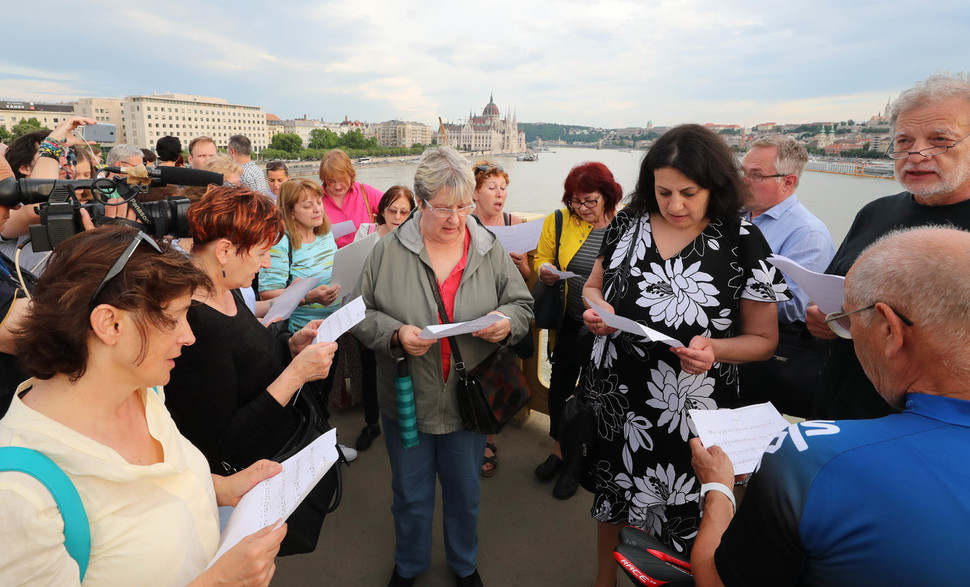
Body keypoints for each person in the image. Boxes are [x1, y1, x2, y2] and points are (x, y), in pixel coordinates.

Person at [0, 226, 286, 585]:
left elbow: (156, 488)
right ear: (110, 323)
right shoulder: (17, 495)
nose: (189, 335)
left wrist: (221, 488)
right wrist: (218, 582)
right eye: (174, 317)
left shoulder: (144, 390)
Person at [690, 226, 970, 586]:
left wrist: (718, 490)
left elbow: (715, 580)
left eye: (846, 322)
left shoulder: (810, 457)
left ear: (888, 329)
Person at [581, 124, 787, 587]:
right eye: (663, 191)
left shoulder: (743, 239)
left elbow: (764, 340)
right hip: (621, 398)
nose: (674, 205)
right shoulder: (627, 223)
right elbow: (593, 287)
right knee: (614, 495)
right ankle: (603, 578)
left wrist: (715, 349)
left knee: (685, 512)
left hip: (694, 411)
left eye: (688, 193)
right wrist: (598, 310)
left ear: (714, 186)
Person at [353, 146, 533, 587]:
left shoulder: (488, 248)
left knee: (465, 494)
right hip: (408, 396)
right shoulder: (386, 251)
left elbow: (522, 305)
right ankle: (409, 565)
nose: (457, 218)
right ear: (418, 203)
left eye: (464, 206)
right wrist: (395, 335)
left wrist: (505, 323)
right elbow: (361, 314)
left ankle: (464, 564)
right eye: (444, 208)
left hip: (469, 399)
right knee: (409, 495)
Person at [806, 72, 970, 420]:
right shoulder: (875, 212)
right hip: (841, 410)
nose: (917, 154)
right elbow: (837, 297)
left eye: (940, 139)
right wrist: (828, 322)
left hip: (935, 436)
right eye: (904, 141)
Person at [163, 186, 339, 479]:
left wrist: (290, 346)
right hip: (259, 477)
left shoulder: (227, 289)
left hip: (282, 448)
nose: (267, 262)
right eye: (261, 252)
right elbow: (222, 441)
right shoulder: (192, 324)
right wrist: (295, 374)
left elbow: (247, 359)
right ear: (223, 251)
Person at [532, 162, 622, 499]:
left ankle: (577, 460)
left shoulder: (626, 224)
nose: (581, 208)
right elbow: (541, 256)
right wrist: (544, 269)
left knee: (593, 393)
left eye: (589, 201)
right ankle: (558, 449)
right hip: (570, 320)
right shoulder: (560, 220)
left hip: (608, 329)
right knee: (559, 387)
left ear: (608, 195)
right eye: (575, 201)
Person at [737, 136, 835, 417]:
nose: (744, 180)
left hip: (762, 365)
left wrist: (721, 298)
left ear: (788, 181)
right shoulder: (736, 215)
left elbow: (795, 307)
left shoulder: (807, 234)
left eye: (755, 175)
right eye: (743, 171)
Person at [470, 162, 530, 476]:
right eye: (492, 188)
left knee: (492, 375)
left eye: (503, 188)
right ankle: (469, 437)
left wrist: (522, 265)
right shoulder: (464, 222)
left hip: (500, 310)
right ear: (475, 193)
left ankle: (489, 439)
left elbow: (526, 278)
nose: (499, 194)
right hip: (471, 307)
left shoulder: (512, 222)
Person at [351, 186, 416, 452]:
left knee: (402, 370)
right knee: (369, 369)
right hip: (369, 310)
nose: (398, 216)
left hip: (400, 314)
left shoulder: (415, 237)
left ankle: (404, 421)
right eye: (393, 210)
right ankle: (371, 422)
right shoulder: (367, 233)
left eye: (404, 211)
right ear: (382, 210)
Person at [259, 178, 342, 333]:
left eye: (319, 202)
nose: (317, 209)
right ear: (291, 213)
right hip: (303, 330)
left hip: (337, 322)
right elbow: (267, 294)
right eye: (307, 206)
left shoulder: (325, 233)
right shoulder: (280, 242)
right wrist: (308, 297)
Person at [319, 148, 383, 248]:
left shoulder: (365, 192)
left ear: (350, 175)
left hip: (365, 255)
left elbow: (394, 208)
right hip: (330, 259)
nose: (337, 186)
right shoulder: (316, 198)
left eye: (342, 180)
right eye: (331, 181)